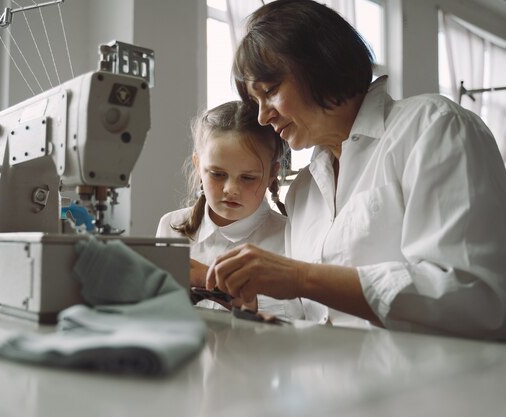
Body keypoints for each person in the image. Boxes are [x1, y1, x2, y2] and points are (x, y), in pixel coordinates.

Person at [206, 0, 506, 339]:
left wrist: (303, 277)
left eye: (270, 92)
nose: (263, 117)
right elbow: (309, 313)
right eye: (255, 102)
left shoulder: (433, 128)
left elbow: (474, 300)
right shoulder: (304, 190)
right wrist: (237, 300)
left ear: (320, 63)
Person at [156, 100, 302, 321]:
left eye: (248, 178)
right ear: (197, 165)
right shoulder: (170, 227)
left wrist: (210, 281)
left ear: (273, 173)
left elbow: (301, 325)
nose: (231, 189)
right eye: (217, 174)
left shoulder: (291, 237)